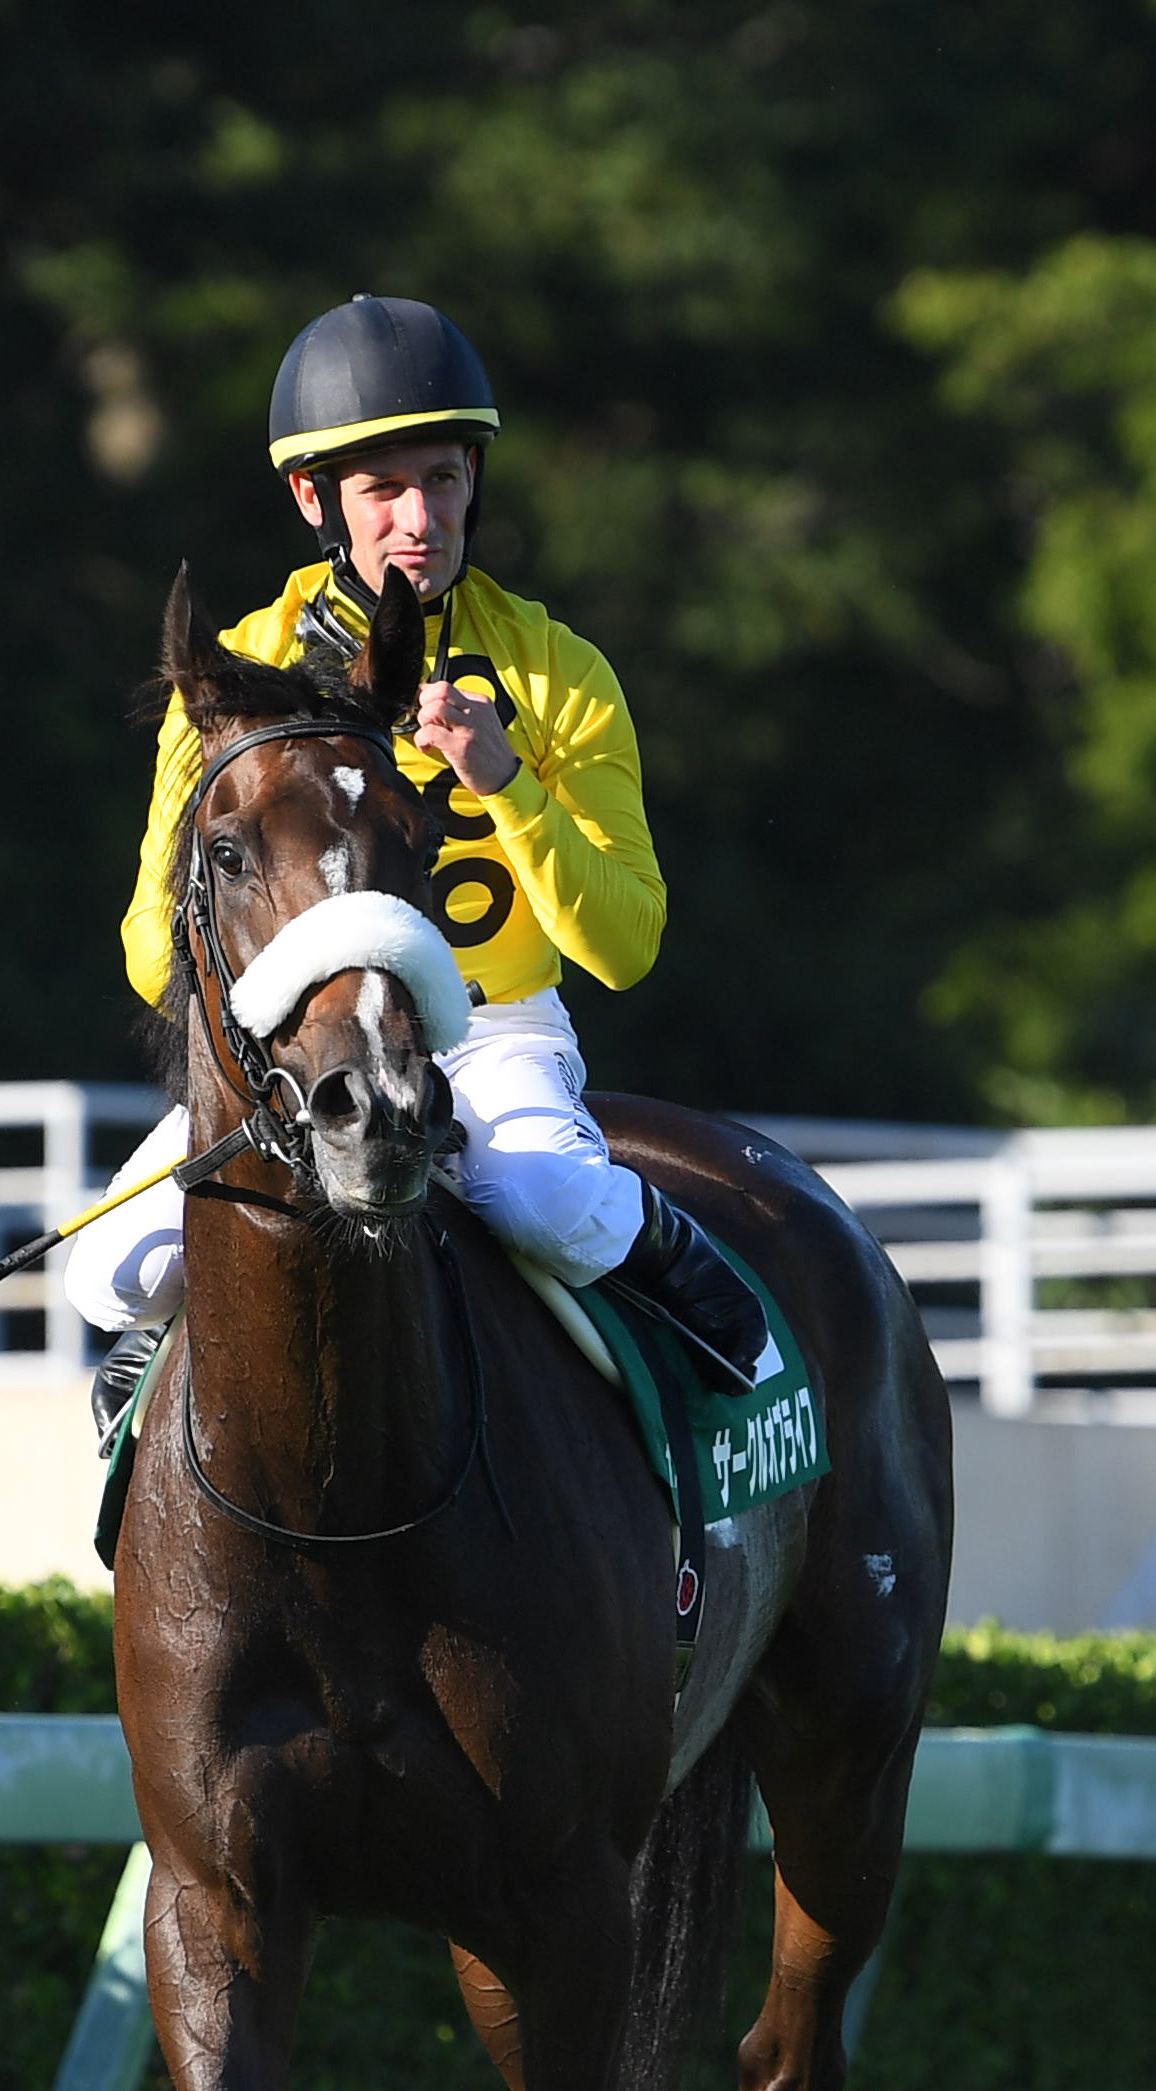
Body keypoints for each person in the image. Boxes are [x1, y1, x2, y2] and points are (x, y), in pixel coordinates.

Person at [69, 292, 766, 1440]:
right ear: (314, 499)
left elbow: (625, 946)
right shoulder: (234, 671)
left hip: (491, 1033)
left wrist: (507, 782)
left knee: (539, 1200)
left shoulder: (557, 671)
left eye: (441, 479)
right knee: (107, 1270)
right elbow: (154, 949)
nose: (419, 518)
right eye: (382, 489)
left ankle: (690, 1281)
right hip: (298, 1049)